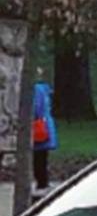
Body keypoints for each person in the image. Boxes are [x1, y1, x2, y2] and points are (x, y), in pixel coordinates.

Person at [31, 69, 57, 198]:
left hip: (38, 128)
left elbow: (35, 109)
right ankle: (43, 182)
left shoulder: (35, 90)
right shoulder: (44, 90)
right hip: (45, 127)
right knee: (41, 158)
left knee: (38, 158)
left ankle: (41, 183)